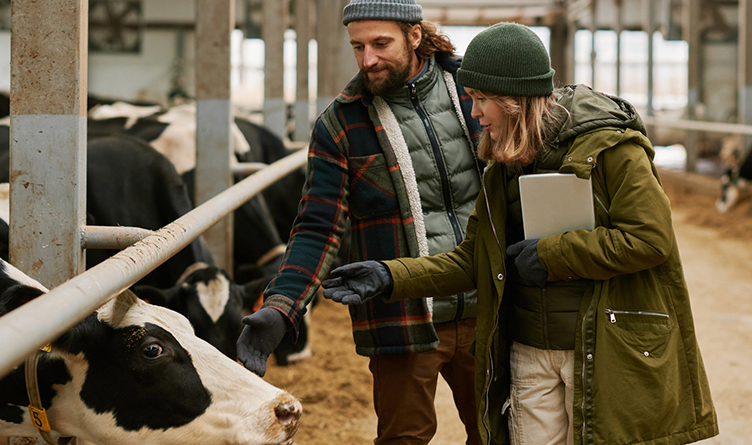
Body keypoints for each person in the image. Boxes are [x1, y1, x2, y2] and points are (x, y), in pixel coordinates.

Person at [321, 22, 719, 445]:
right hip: (529, 349)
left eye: (481, 100)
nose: (473, 113)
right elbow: (473, 258)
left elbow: (649, 239)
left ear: (513, 100)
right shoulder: (505, 164)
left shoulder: (612, 148)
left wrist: (551, 255)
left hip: (601, 346)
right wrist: (390, 276)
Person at [235, 0, 485, 443]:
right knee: (403, 437)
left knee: (498, 432)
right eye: (358, 46)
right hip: (403, 315)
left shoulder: (472, 90)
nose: (368, 59)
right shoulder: (341, 123)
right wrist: (282, 305)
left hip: (489, 305)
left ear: (414, 35)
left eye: (381, 43)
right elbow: (318, 227)